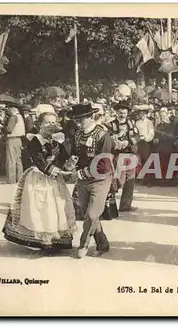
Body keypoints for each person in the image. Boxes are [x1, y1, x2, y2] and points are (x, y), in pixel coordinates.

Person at [2, 111, 76, 253]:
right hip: (38, 176)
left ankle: (56, 239)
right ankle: (44, 240)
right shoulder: (35, 140)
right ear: (39, 124)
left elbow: (62, 158)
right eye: (47, 122)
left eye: (54, 122)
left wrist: (69, 163)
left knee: (57, 206)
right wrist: (54, 170)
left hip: (54, 178)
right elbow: (38, 159)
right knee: (41, 207)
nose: (51, 125)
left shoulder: (56, 141)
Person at [69, 104, 114, 258]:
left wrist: (79, 174)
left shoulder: (103, 136)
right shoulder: (77, 135)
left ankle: (83, 245)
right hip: (82, 181)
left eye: (82, 119)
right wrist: (70, 163)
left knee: (93, 215)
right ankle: (103, 244)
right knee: (88, 214)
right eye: (76, 120)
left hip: (100, 180)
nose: (79, 122)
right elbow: (75, 154)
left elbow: (103, 165)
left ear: (91, 117)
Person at [107, 100, 140, 212]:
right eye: (120, 112)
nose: (122, 115)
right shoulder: (111, 125)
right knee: (118, 180)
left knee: (130, 181)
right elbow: (109, 139)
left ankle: (125, 205)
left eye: (124, 112)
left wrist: (129, 142)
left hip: (131, 154)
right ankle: (109, 204)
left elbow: (137, 136)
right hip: (118, 155)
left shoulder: (132, 123)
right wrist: (116, 141)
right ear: (116, 112)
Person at [4, 102, 26, 184]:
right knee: (18, 160)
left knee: (11, 160)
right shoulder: (20, 117)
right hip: (19, 139)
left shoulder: (13, 117)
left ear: (12, 109)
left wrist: (3, 127)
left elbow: (9, 129)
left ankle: (11, 179)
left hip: (12, 139)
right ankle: (20, 178)